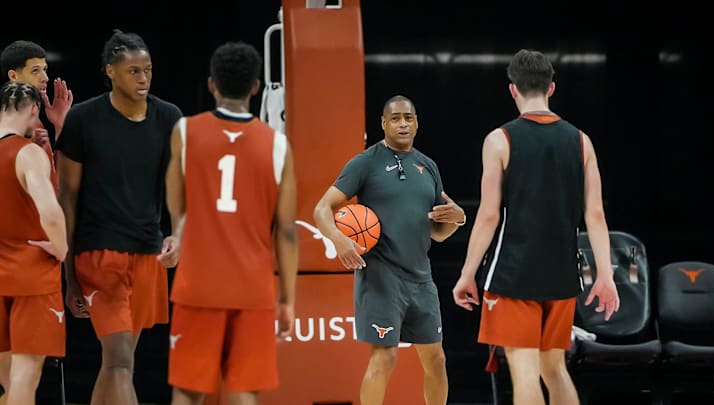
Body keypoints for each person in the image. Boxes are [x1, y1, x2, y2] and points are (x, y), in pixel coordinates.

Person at [451, 49, 620, 405]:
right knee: (554, 368)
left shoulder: (500, 139)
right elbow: (596, 215)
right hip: (560, 273)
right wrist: (605, 276)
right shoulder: (581, 141)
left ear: (512, 89)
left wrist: (467, 274)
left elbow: (488, 215)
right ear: (551, 88)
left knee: (524, 369)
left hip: (514, 273)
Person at [158, 40, 298, 405]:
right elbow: (286, 230)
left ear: (211, 84)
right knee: (242, 391)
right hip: (252, 287)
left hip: (198, 283)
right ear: (255, 87)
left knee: (187, 391)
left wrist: (180, 234)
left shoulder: (185, 131)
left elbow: (176, 203)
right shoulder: (278, 145)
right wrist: (287, 299)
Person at [55, 30, 182, 405]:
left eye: (148, 70)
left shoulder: (169, 117)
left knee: (117, 363)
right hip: (98, 254)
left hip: (147, 253)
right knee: (120, 360)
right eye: (133, 71)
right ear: (110, 71)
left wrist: (178, 234)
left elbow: (179, 188)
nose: (143, 79)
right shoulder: (83, 119)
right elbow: (67, 198)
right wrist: (70, 275)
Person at [313, 95, 465, 405]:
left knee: (437, 360)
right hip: (381, 278)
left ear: (417, 122)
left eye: (408, 117)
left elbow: (438, 233)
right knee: (385, 358)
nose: (402, 123)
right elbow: (321, 209)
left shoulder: (428, 166)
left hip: (421, 279)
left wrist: (459, 218)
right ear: (383, 123)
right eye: (395, 118)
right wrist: (339, 240)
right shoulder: (365, 163)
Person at [0, 82, 68, 405]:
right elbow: (51, 214)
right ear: (32, 111)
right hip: (31, 278)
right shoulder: (27, 153)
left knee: (7, 377)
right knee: (26, 374)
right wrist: (61, 248)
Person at [1, 40, 73, 148]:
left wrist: (60, 125)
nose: (45, 78)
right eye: (35, 71)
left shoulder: (36, 125)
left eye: (44, 69)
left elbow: (55, 165)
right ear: (13, 76)